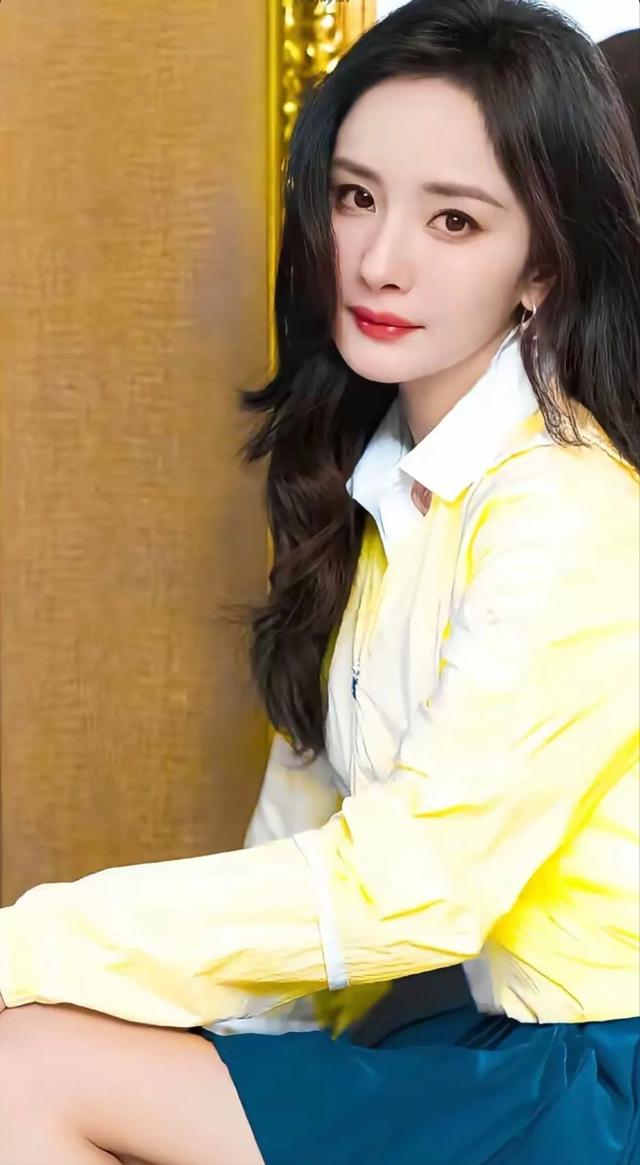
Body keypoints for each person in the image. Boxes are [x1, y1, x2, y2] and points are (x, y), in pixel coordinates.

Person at [0, 0, 639, 1161]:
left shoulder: (566, 509)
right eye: (355, 198)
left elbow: (414, 884)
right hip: (485, 1045)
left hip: (598, 1072)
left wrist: (23, 947)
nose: (380, 261)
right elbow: (298, 839)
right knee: (38, 1049)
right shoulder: (377, 483)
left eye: (454, 219)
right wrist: (175, 1029)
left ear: (541, 266)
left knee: (25, 1066)